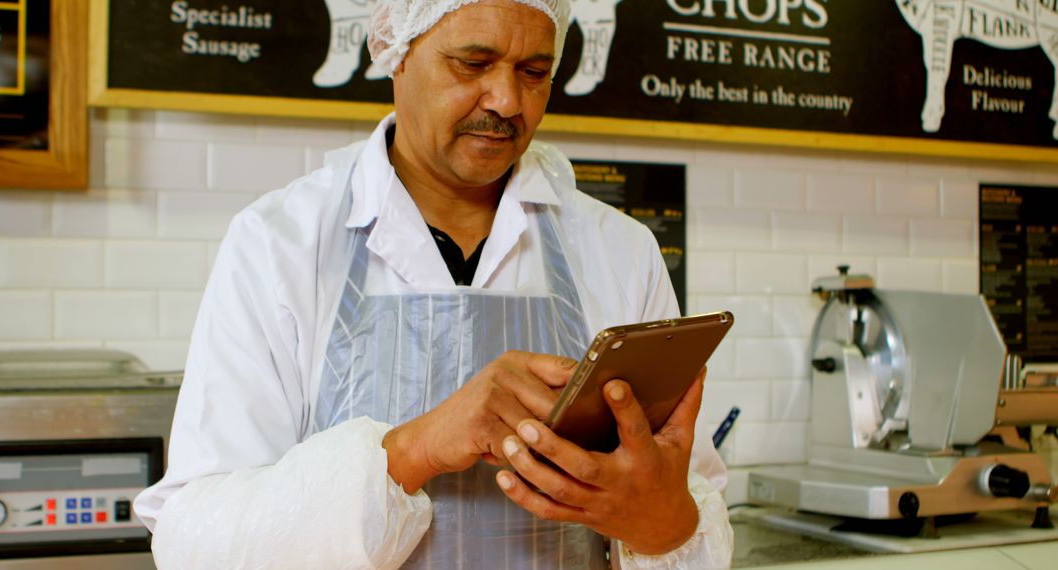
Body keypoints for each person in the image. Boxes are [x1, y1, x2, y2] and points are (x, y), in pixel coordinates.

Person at [134, 0, 733, 568]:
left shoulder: (620, 250)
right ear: (395, 48)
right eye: (473, 63)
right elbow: (198, 541)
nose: (506, 99)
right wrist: (415, 450)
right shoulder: (281, 244)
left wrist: (664, 526)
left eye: (534, 71)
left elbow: (691, 507)